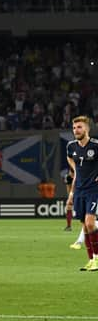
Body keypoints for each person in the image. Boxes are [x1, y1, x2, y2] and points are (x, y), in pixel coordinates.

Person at [66, 116, 98, 271]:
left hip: (93, 189)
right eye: (74, 128)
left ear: (87, 129)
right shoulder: (71, 147)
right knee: (85, 227)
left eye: (79, 127)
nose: (76, 130)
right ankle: (91, 260)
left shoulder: (96, 145)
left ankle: (97, 258)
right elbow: (76, 171)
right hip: (79, 190)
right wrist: (71, 194)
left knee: (90, 222)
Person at [64, 167, 74, 232]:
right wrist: (70, 198)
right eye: (70, 172)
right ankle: (69, 226)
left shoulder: (81, 176)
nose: (71, 174)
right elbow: (68, 188)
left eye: (72, 173)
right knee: (68, 206)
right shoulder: (68, 177)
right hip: (73, 193)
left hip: (83, 193)